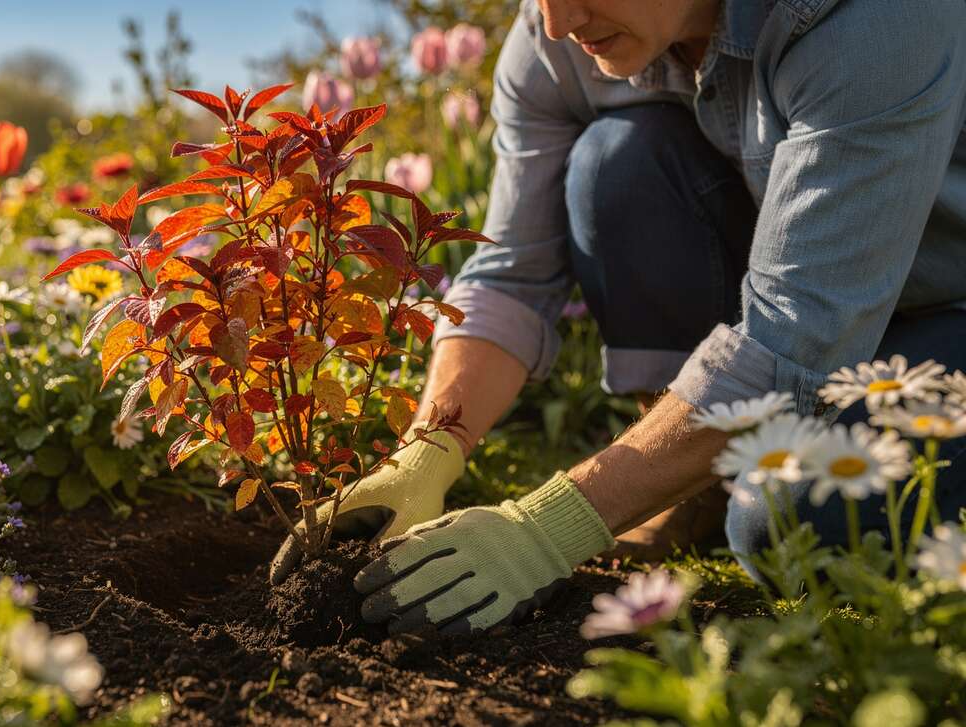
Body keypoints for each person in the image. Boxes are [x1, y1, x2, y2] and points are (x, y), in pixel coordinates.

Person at [270, 0, 966, 636]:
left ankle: (702, 474)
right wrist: (427, 449)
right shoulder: (560, 34)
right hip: (806, 301)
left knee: (785, 520)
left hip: (943, 306)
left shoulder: (873, 17)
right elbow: (514, 269)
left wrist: (546, 528)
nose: (558, 21)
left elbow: (793, 333)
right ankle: (688, 481)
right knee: (615, 163)